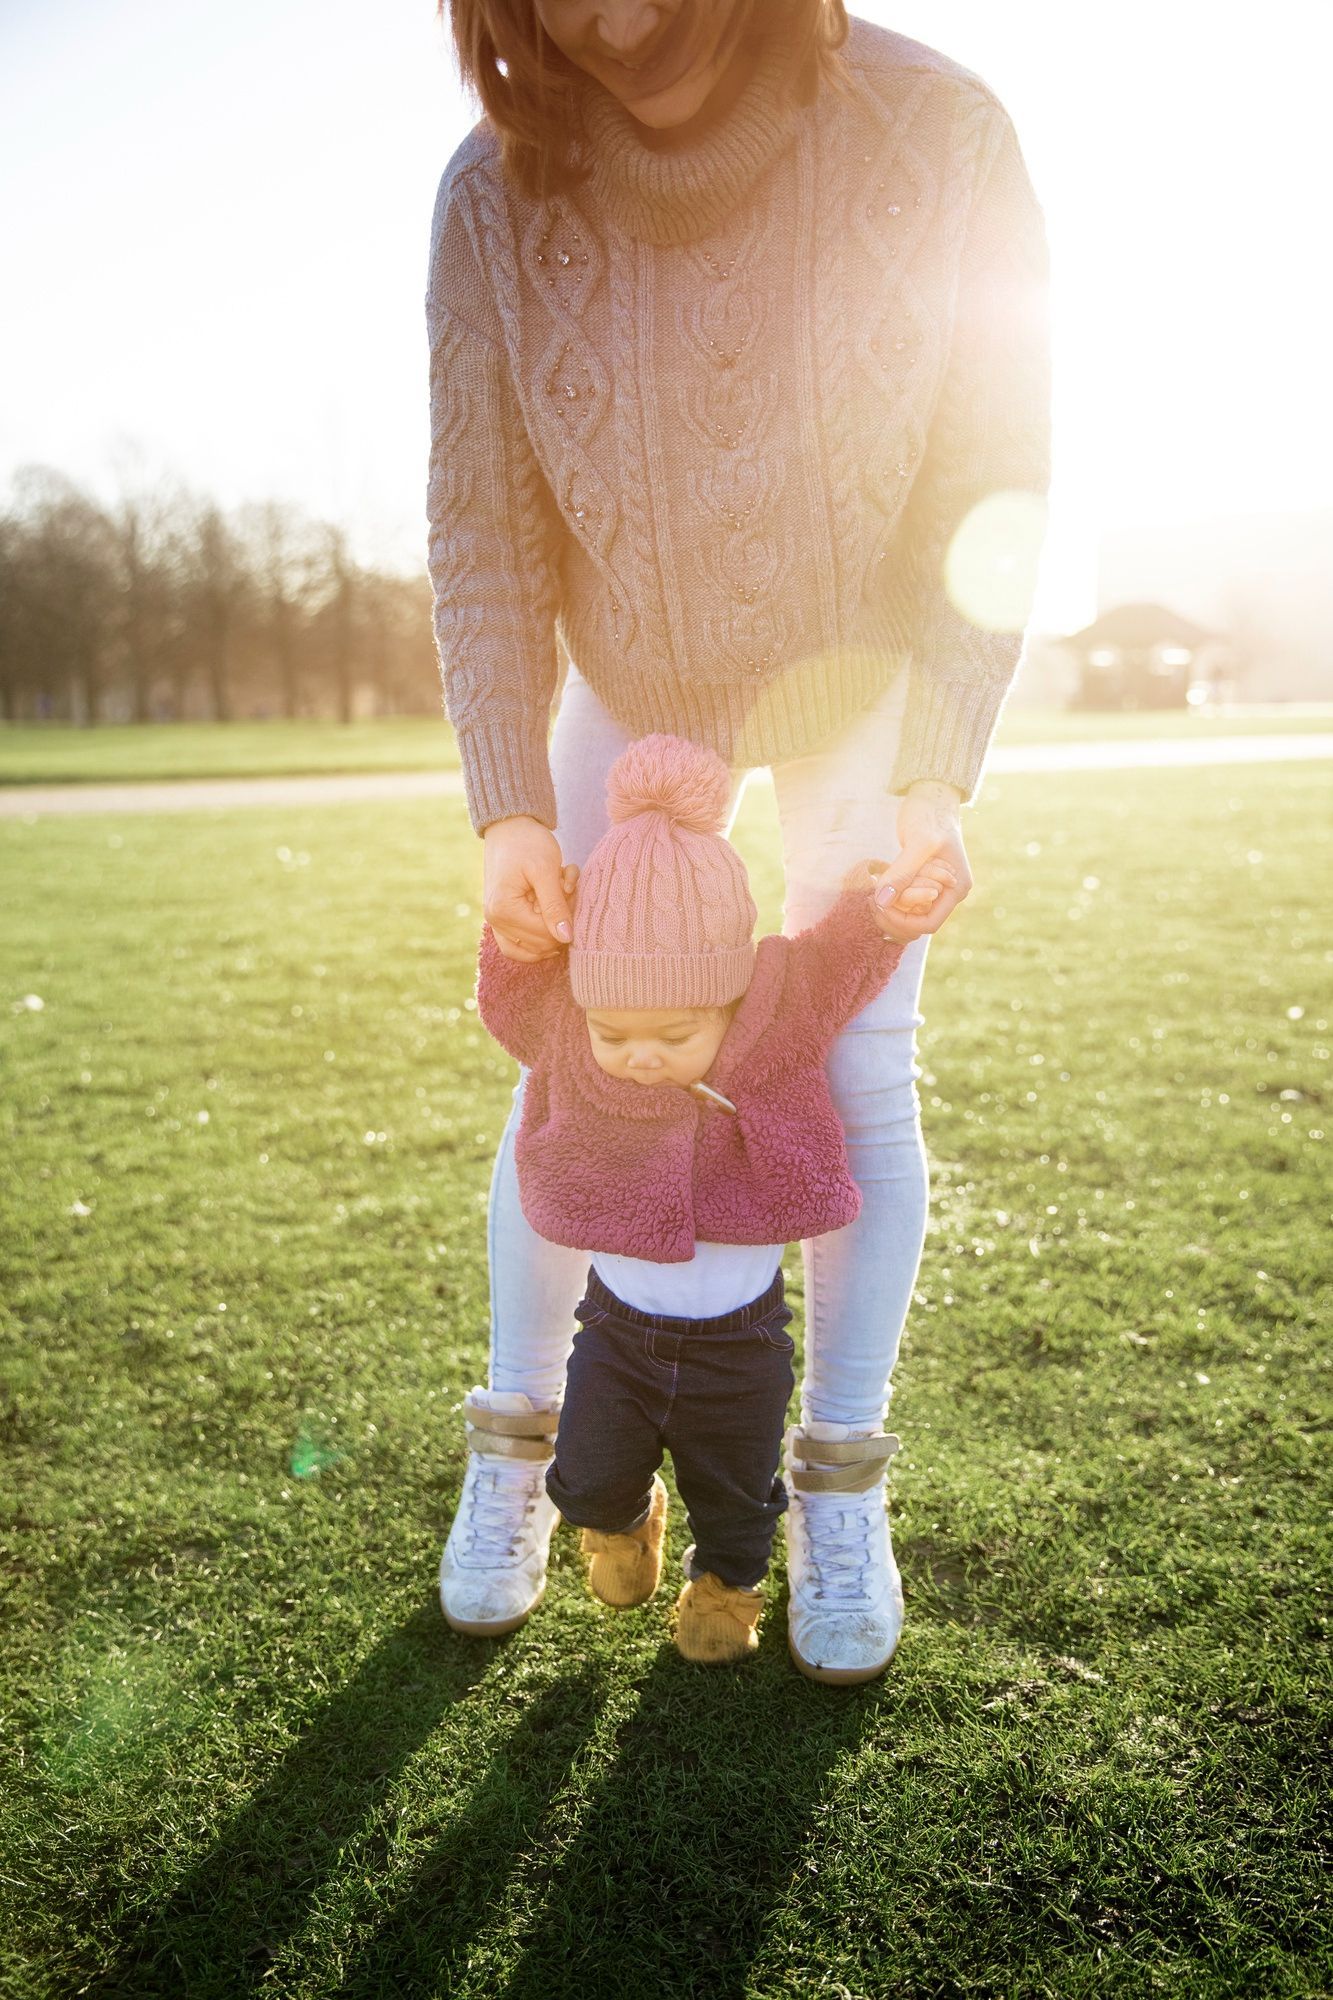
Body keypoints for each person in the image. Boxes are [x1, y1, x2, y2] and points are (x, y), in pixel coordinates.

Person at [426, 0, 1051, 1682]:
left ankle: (833, 1479)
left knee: (859, 1065)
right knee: (566, 1058)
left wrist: (933, 774)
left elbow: (993, 473)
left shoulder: (932, 128)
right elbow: (481, 519)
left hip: (862, 672)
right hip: (624, 682)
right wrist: (504, 800)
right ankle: (520, 1444)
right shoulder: (490, 192)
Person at [443, 732, 953, 1669]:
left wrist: (879, 912)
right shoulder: (569, 1028)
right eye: (614, 1031)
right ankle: (619, 1522)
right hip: (616, 1333)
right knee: (589, 1474)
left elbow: (835, 960)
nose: (638, 1054)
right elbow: (516, 996)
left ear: (733, 1000)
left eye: (674, 1032)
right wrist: (515, 935)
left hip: (741, 1347)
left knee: (735, 1489)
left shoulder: (775, 1016)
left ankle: (726, 1586)